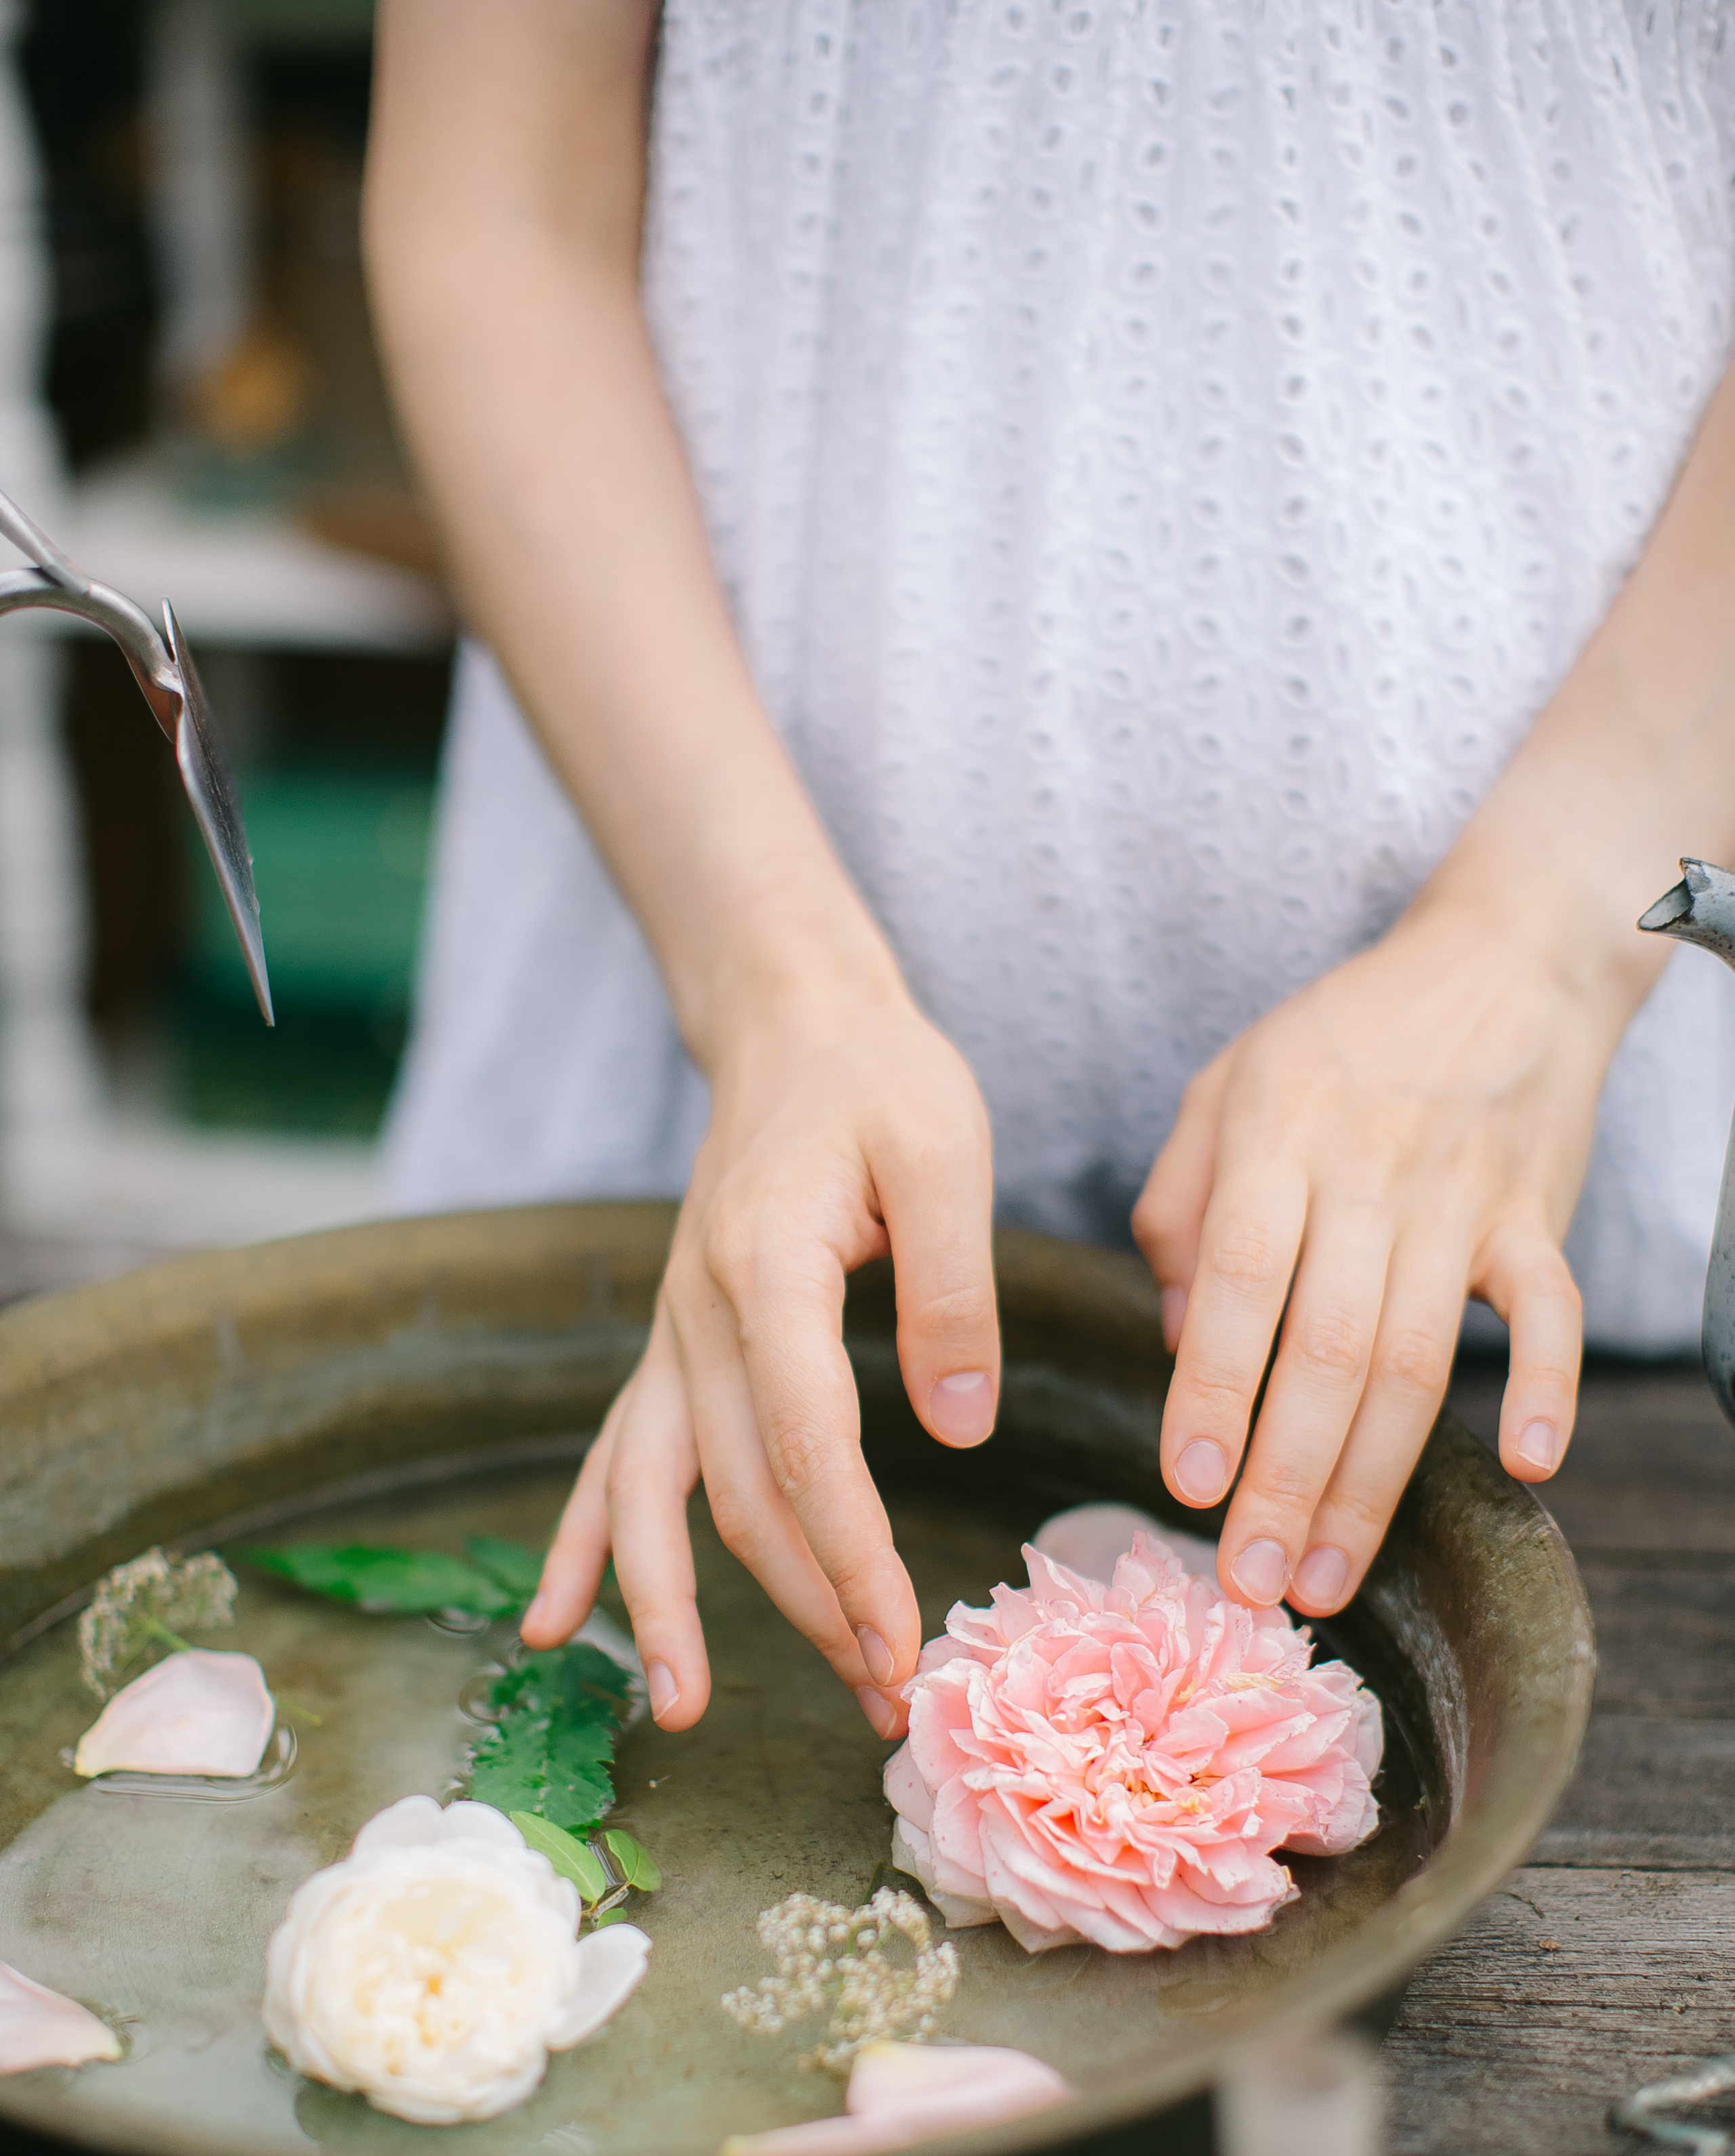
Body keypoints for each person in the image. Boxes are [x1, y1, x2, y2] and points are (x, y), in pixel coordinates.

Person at [364, 1, 1735, 1741]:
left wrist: (1540, 938)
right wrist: (771, 985)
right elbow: (495, 209)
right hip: (707, 956)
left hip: (1558, 1052)